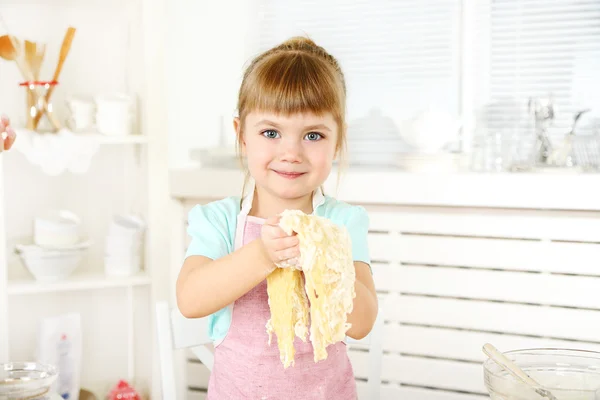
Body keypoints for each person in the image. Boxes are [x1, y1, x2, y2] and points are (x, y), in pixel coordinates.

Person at [176, 36, 378, 399]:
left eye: (313, 135)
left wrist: (319, 258)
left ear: (338, 140)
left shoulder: (343, 222)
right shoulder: (219, 221)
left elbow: (361, 323)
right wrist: (263, 255)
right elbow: (190, 300)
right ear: (241, 135)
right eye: (271, 132)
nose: (290, 152)